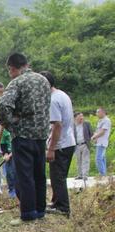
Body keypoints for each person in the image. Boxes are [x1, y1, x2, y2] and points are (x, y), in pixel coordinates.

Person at [0, 53, 51, 224]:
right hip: (42, 133)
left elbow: (2, 106)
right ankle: (40, 210)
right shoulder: (43, 81)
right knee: (39, 173)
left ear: (12, 68)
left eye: (9, 70)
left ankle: (28, 213)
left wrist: (10, 123)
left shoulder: (17, 82)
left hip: (23, 134)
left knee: (25, 175)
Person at [40, 71, 75, 217]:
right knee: (58, 176)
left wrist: (51, 149)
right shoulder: (61, 94)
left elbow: (57, 125)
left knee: (57, 177)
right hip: (68, 141)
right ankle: (56, 201)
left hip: (60, 144)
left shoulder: (52, 100)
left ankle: (63, 207)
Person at [91, 107, 111, 177]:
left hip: (102, 142)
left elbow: (102, 132)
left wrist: (94, 137)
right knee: (102, 158)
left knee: (98, 158)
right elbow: (98, 131)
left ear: (103, 112)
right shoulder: (100, 121)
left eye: (98, 112)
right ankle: (103, 173)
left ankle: (102, 174)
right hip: (99, 142)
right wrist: (95, 138)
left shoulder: (106, 120)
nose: (96, 114)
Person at [73, 112, 92, 180]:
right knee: (78, 161)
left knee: (85, 160)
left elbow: (91, 133)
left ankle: (85, 175)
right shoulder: (73, 125)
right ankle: (80, 175)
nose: (82, 118)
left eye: (82, 116)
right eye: (80, 116)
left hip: (85, 144)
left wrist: (90, 141)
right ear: (75, 118)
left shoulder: (87, 124)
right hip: (77, 145)